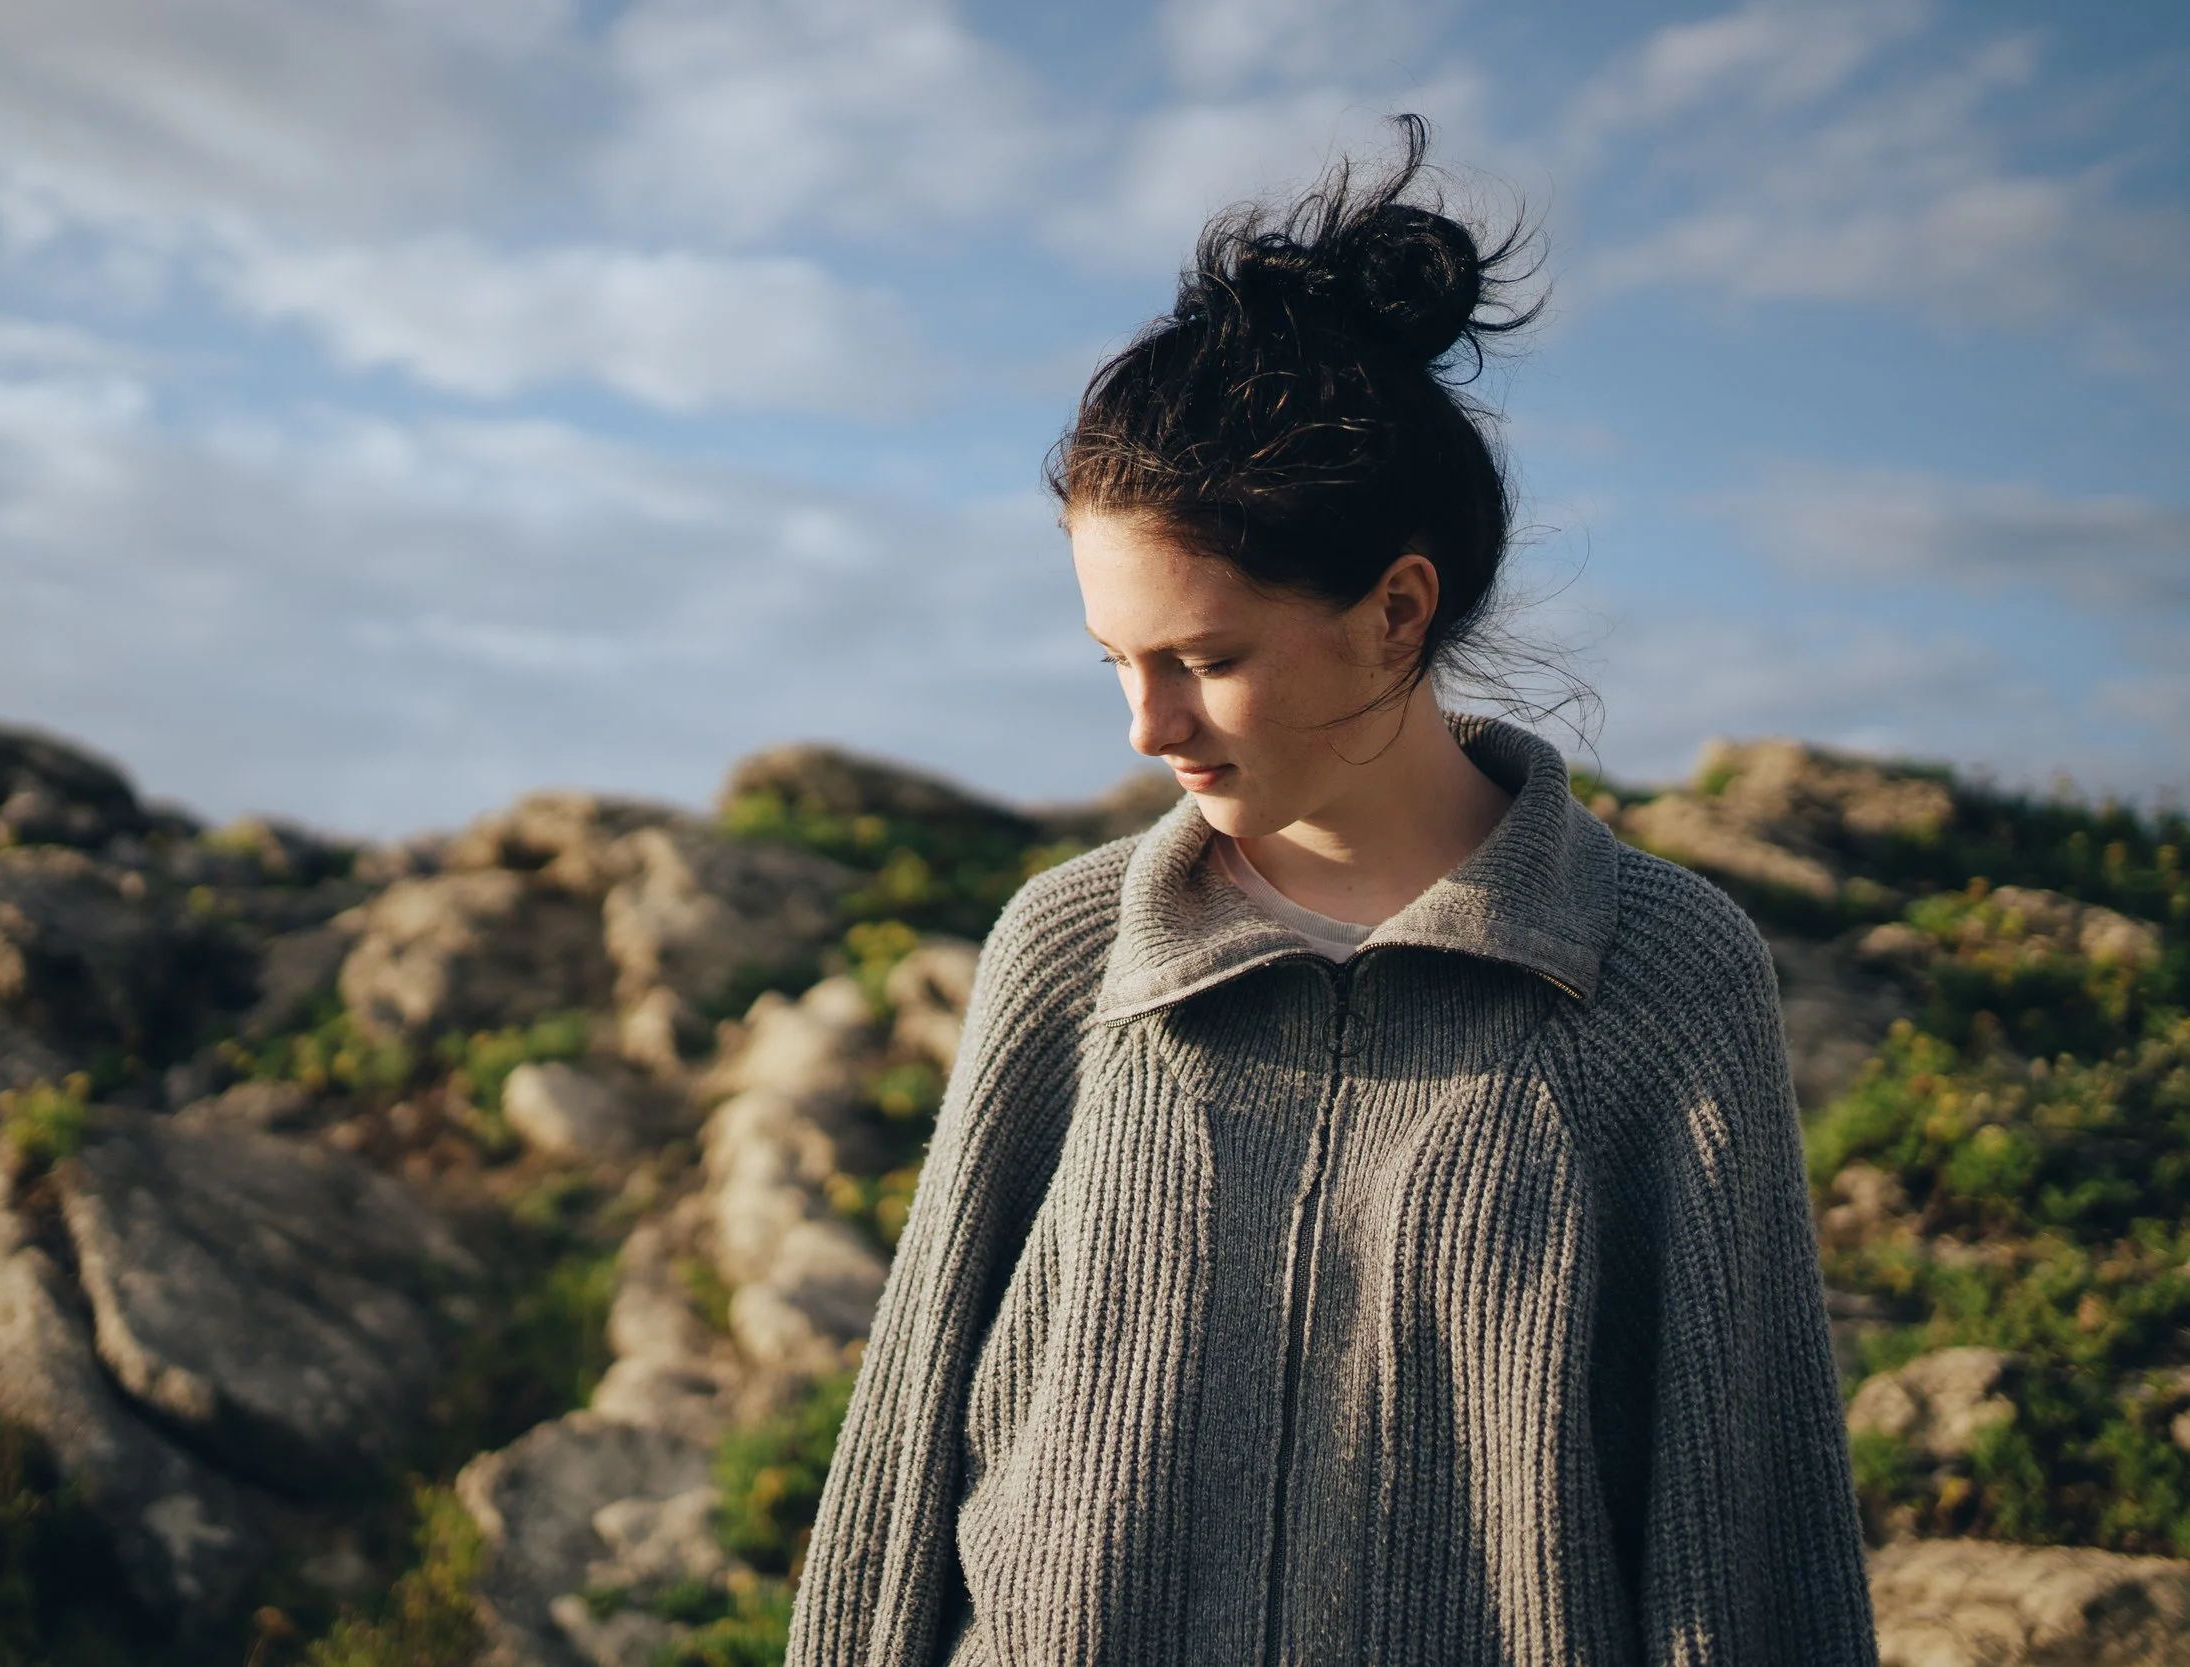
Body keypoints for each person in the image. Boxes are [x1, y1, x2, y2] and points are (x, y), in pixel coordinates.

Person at [787, 117, 1877, 1666]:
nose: (1146, 728)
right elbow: (903, 1464)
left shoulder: (1661, 976)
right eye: (1118, 661)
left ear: (1397, 610)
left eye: (1208, 661)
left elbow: (1749, 1528)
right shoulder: (1071, 952)